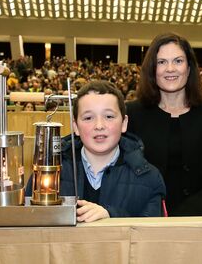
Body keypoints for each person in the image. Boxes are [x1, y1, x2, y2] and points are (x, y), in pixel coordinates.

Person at [27, 80, 166, 222]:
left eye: (109, 117)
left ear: (124, 123)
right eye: (88, 118)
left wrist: (112, 216)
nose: (99, 125)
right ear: (75, 126)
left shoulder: (149, 178)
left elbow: (153, 237)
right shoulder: (47, 175)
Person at [126, 32, 202, 216]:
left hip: (197, 217)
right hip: (144, 216)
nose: (170, 69)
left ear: (189, 67)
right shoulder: (133, 113)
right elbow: (124, 174)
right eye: (161, 62)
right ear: (152, 69)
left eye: (178, 61)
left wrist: (195, 210)